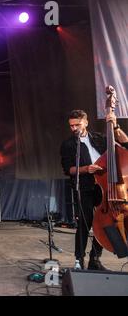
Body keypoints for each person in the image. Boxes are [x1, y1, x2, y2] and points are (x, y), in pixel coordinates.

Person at [60, 110, 128, 270]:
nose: (74, 128)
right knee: (84, 223)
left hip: (106, 186)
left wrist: (116, 126)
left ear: (86, 122)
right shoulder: (68, 144)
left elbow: (125, 144)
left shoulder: (99, 138)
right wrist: (86, 169)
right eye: (71, 125)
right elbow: (68, 169)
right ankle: (79, 260)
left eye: (77, 124)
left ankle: (95, 260)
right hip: (84, 186)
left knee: (105, 222)